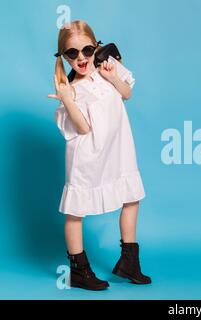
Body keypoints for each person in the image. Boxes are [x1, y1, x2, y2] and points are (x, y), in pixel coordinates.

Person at [48, 20, 151, 290]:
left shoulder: (108, 66)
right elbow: (83, 127)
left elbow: (126, 93)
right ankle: (79, 270)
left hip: (118, 149)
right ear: (64, 56)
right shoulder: (71, 89)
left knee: (131, 197)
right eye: (72, 53)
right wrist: (68, 100)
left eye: (87, 50)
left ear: (96, 47)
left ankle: (129, 261)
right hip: (87, 155)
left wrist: (111, 76)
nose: (81, 58)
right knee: (76, 211)